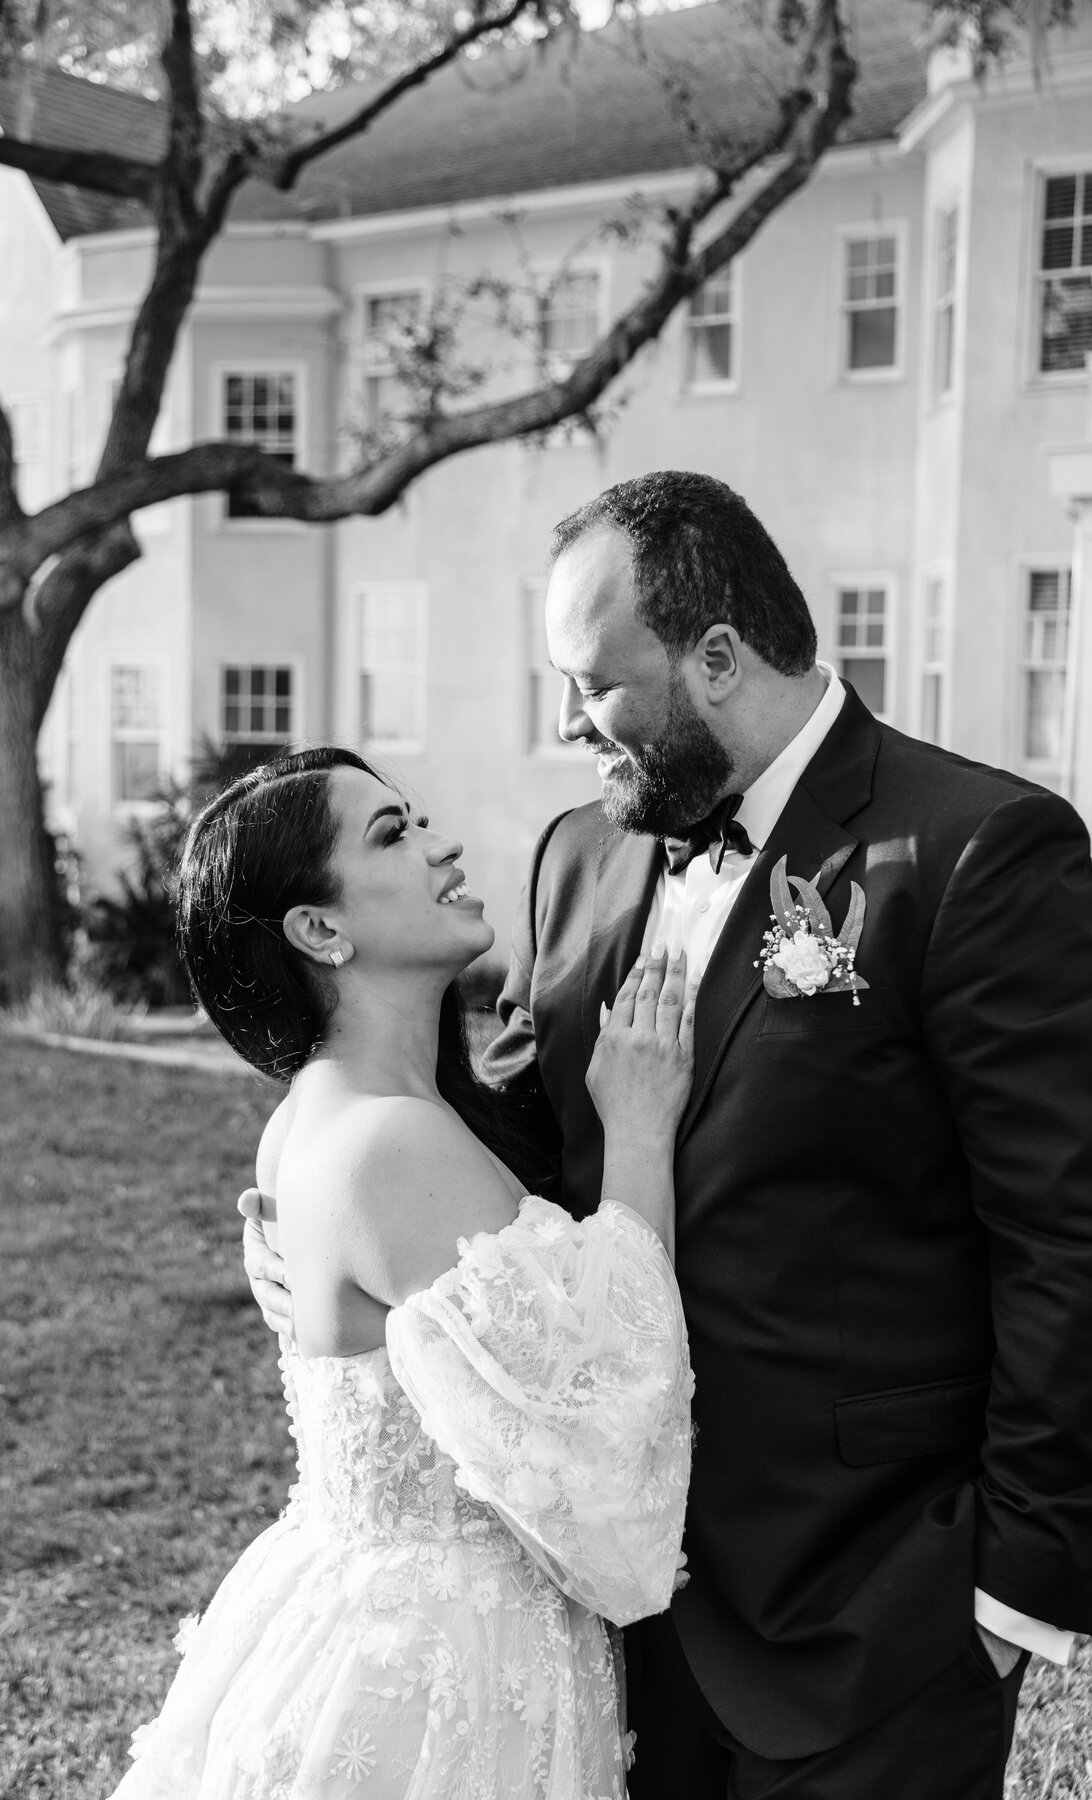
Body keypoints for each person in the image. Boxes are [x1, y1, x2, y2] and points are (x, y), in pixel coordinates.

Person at [244, 472, 1092, 1800]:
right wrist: (321, 1205)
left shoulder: (976, 855)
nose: (573, 726)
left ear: (720, 658)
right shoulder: (581, 854)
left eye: (597, 687)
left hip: (872, 1608)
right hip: (608, 1606)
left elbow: (1090, 1238)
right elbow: (507, 1136)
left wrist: (1020, 1586)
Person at [114, 745, 695, 1800]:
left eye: (419, 818)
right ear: (320, 930)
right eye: (394, 834)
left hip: (362, 1605)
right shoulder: (389, 1145)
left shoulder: (319, 1116)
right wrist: (644, 1133)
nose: (443, 844)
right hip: (438, 1666)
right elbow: (611, 1409)